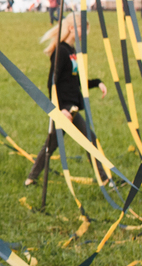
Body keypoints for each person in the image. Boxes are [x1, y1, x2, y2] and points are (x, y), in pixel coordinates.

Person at [26, 17, 107, 186]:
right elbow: (52, 83)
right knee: (88, 139)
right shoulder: (61, 52)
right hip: (65, 108)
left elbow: (76, 81)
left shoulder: (72, 51)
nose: (85, 33)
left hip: (72, 107)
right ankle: (104, 179)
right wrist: (60, 109)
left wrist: (97, 82)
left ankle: (31, 178)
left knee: (52, 144)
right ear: (71, 28)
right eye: (82, 28)